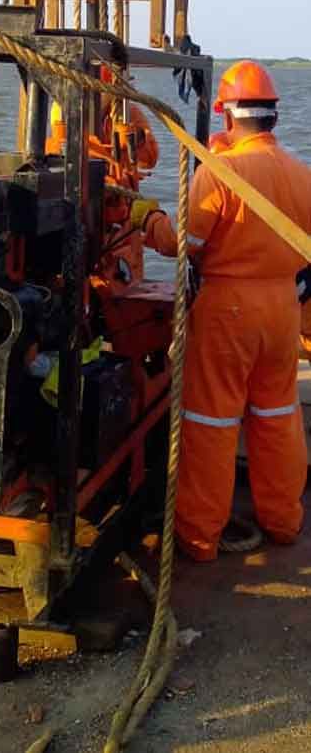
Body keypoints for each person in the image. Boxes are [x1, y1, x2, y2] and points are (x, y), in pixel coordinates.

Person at [141, 60, 311, 561]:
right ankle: (283, 521)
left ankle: (199, 537)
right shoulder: (302, 175)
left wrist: (147, 219)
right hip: (282, 308)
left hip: (229, 310)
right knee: (278, 414)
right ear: (273, 117)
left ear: (227, 118)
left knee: (211, 422)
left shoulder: (222, 173)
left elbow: (183, 242)